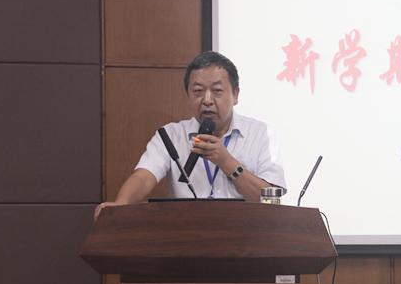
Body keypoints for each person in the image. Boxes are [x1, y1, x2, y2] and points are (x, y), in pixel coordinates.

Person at [94, 51, 286, 219]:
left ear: (235, 95)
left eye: (217, 91)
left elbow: (272, 202)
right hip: (187, 236)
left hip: (246, 238)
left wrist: (226, 162)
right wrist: (120, 205)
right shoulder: (170, 136)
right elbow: (143, 177)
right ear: (188, 95)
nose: (207, 100)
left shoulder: (261, 134)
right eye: (198, 91)